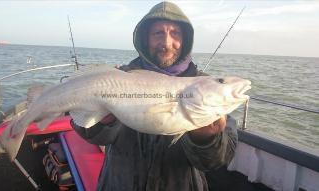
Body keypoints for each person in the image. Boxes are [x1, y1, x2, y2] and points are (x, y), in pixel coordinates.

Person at [71, 1, 238, 191]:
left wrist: (206, 140)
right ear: (145, 38)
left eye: (175, 33)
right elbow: (87, 131)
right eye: (158, 33)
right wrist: (104, 121)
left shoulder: (205, 86)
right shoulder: (120, 76)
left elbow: (217, 161)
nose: (166, 43)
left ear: (185, 40)